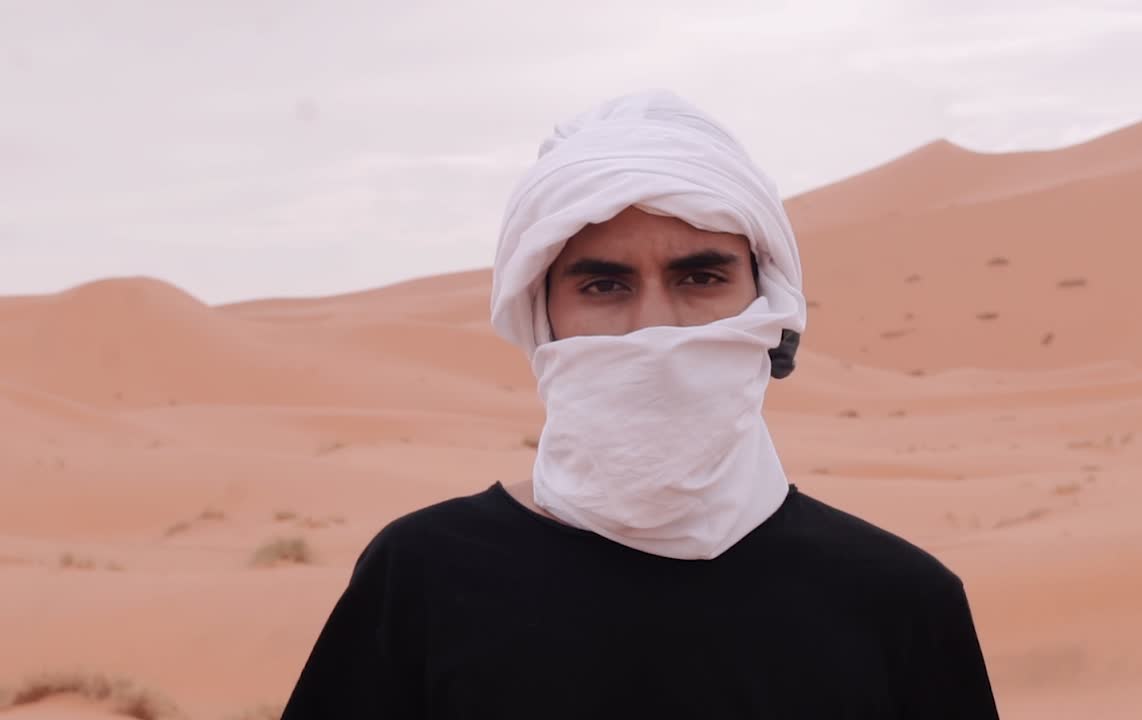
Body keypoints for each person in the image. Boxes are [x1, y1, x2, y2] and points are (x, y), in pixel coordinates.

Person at [280, 90, 1000, 719]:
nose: (656, 326)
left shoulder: (900, 601)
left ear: (767, 305)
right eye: (604, 285)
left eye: (701, 277)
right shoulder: (424, 577)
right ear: (543, 316)